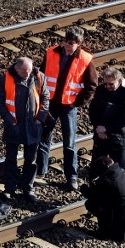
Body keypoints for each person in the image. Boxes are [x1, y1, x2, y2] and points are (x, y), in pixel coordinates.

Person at [36, 26, 97, 191]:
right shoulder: (51, 52)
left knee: (69, 143)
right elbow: (41, 75)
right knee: (44, 137)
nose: (67, 45)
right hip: (51, 103)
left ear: (79, 43)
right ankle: (40, 171)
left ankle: (72, 177)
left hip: (68, 107)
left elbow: (91, 86)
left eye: (71, 43)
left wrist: (76, 103)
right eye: (65, 41)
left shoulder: (85, 59)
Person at [0, 57, 50, 202]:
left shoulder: (38, 77)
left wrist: (40, 119)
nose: (27, 74)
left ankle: (28, 188)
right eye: (24, 72)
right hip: (14, 126)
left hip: (32, 126)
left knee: (31, 160)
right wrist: (10, 121)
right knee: (11, 159)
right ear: (17, 69)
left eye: (29, 71)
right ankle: (9, 188)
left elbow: (45, 98)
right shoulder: (6, 79)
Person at [80, 155, 125, 242]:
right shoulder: (120, 172)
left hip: (122, 228)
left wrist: (84, 189)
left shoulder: (108, 181)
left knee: (92, 204)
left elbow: (96, 197)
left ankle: (105, 233)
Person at [88, 67, 125, 177]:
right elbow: (93, 111)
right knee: (96, 168)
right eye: (105, 83)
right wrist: (98, 128)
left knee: (120, 173)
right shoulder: (101, 90)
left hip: (119, 137)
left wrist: (107, 130)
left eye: (111, 84)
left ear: (118, 81)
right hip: (100, 134)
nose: (107, 86)